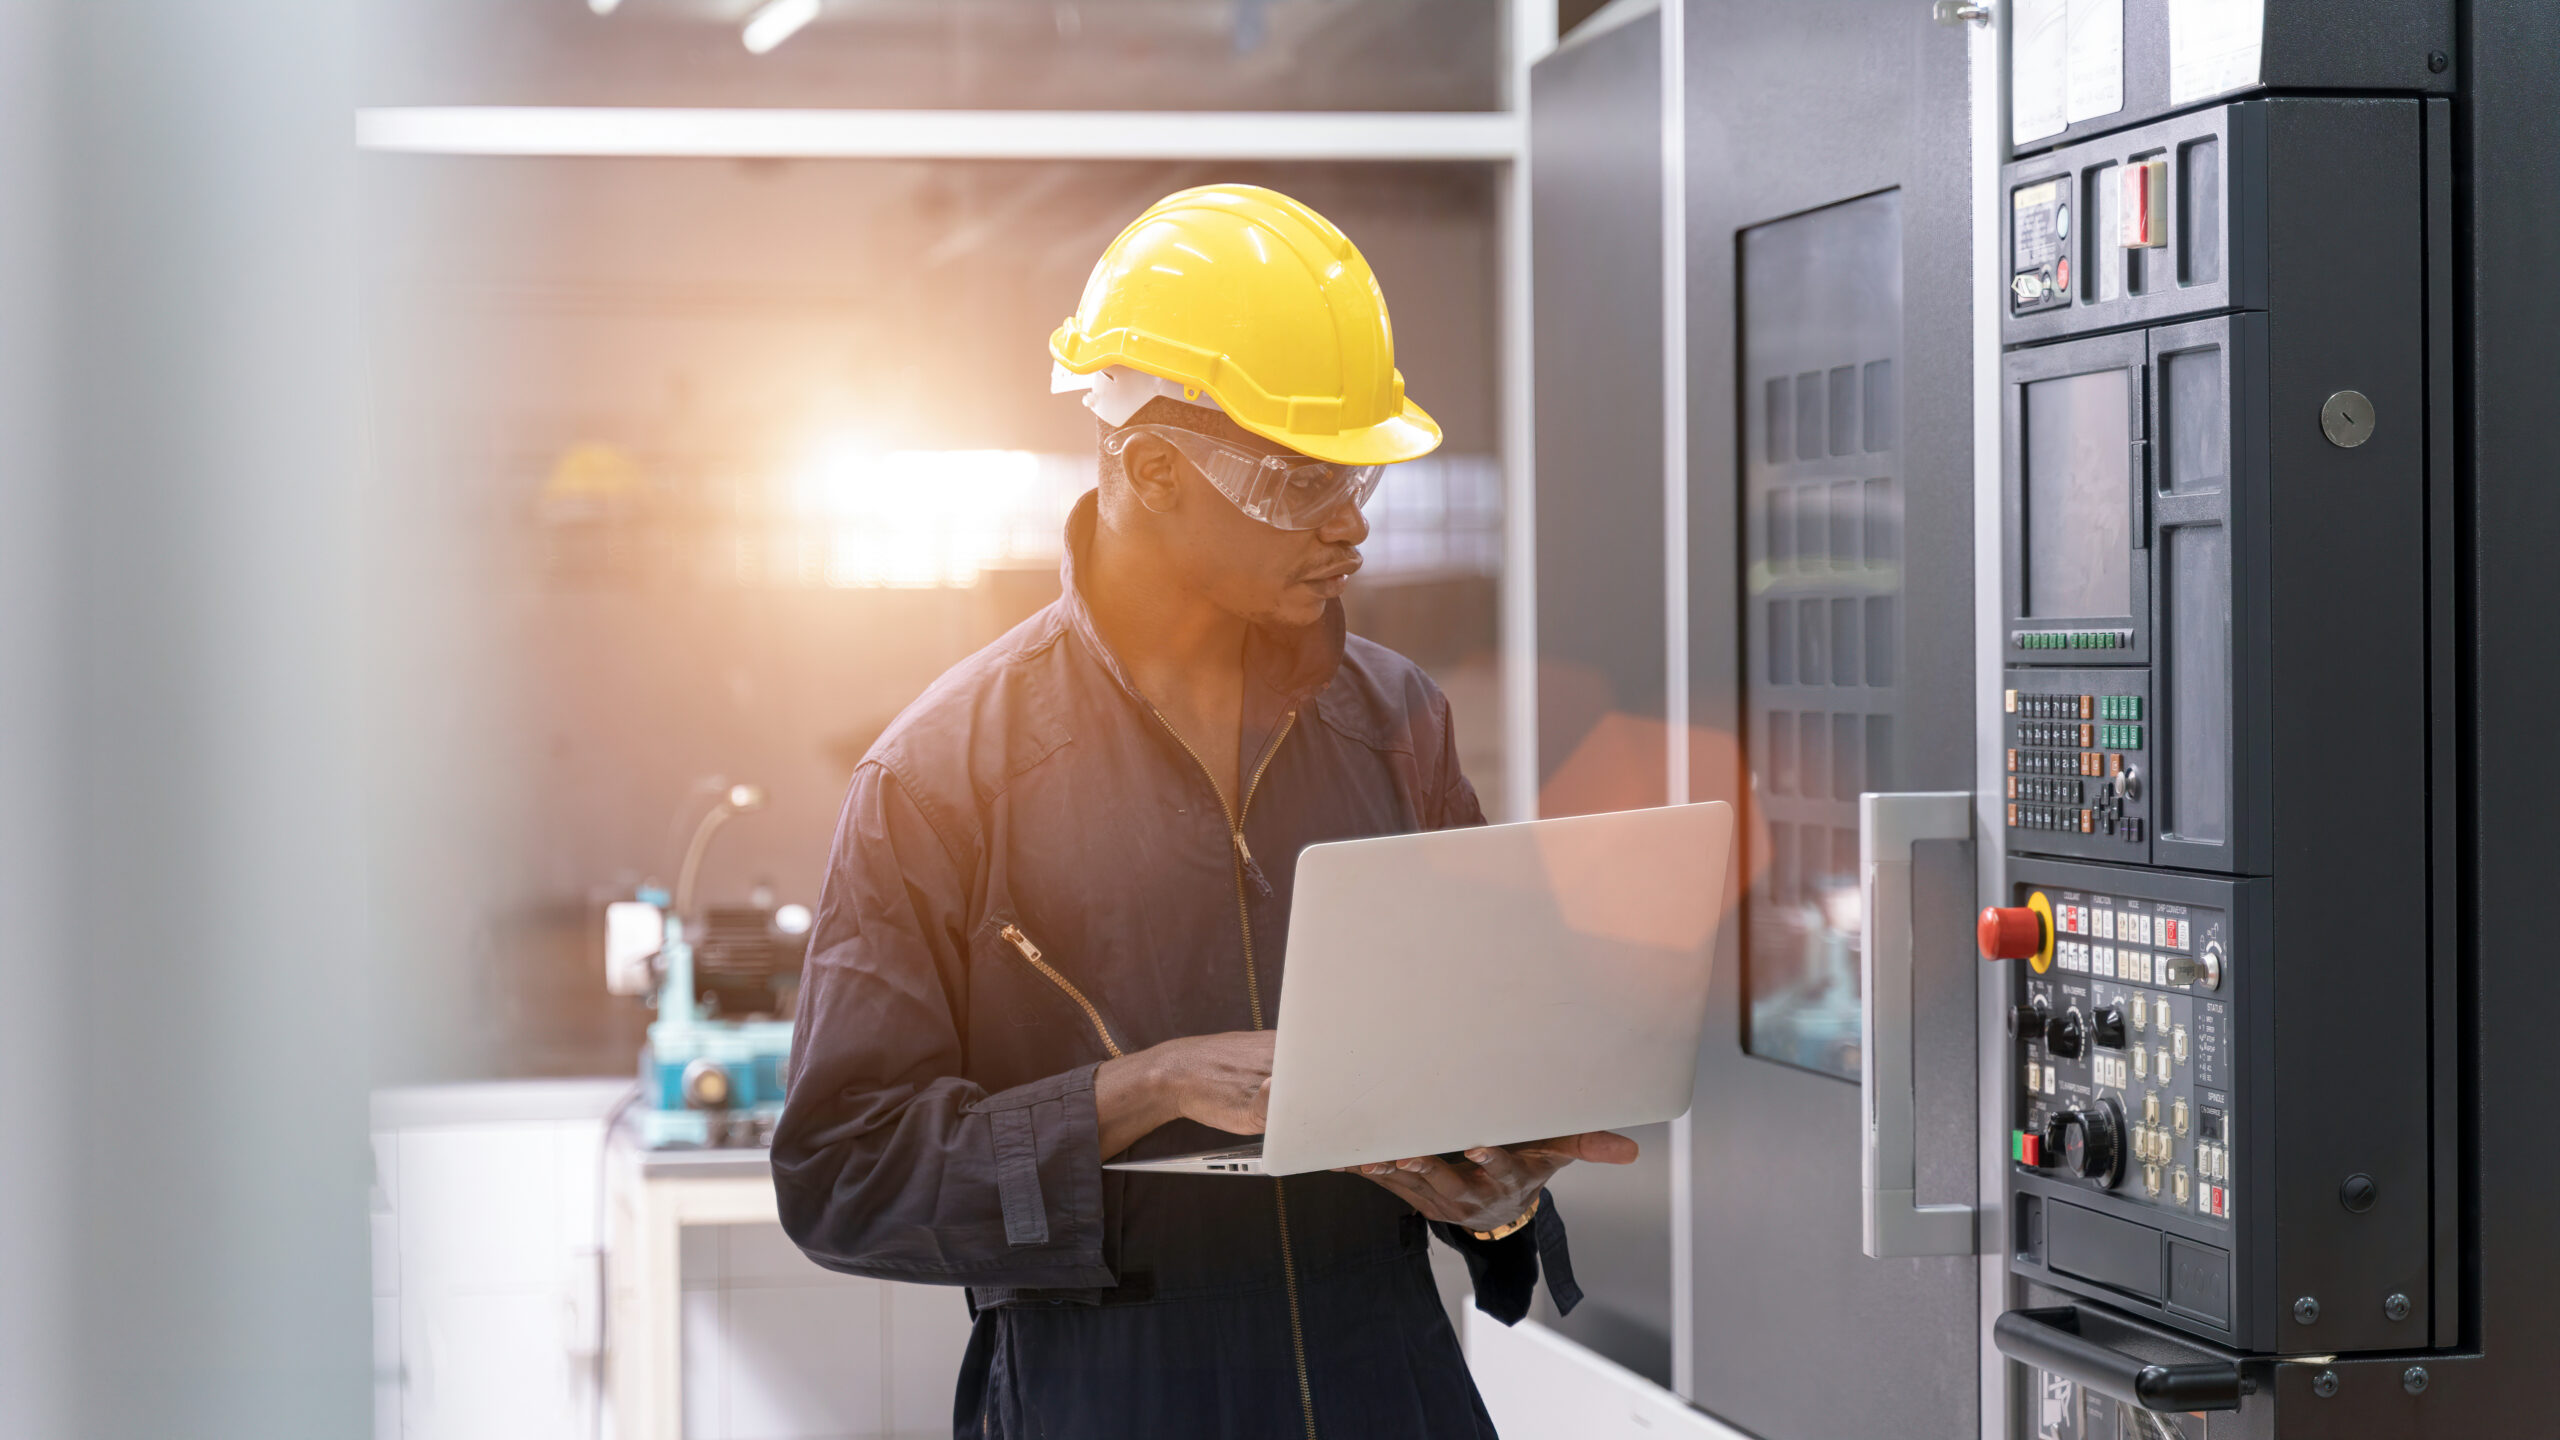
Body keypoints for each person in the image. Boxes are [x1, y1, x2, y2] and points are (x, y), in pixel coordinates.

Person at [773, 184, 1636, 1440]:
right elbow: (845, 1178)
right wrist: (1150, 1084)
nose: (1349, 530)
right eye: (1299, 486)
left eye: (1360, 482)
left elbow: (1469, 1059)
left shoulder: (1395, 723)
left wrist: (1495, 1194)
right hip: (1108, 1392)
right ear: (1152, 471)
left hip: (1386, 1380)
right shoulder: (942, 776)